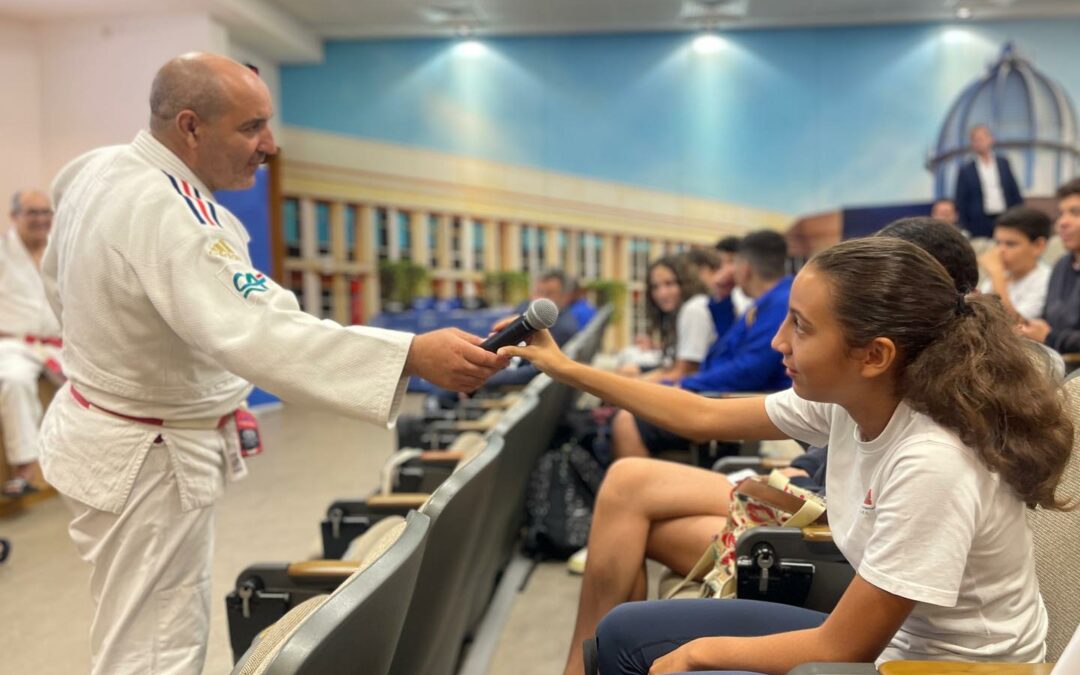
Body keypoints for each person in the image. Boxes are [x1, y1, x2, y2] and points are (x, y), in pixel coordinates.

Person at [40, 52, 508, 675]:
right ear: (190, 127)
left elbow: (61, 281)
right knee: (155, 648)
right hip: (145, 459)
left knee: (132, 627)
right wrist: (409, 356)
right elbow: (261, 331)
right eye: (251, 127)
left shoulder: (98, 170)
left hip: (103, 434)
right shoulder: (172, 213)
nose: (270, 145)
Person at [502, 237, 1070, 675]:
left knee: (664, 657)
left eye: (800, 326)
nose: (779, 343)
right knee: (624, 631)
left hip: (928, 668)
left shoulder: (933, 461)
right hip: (890, 646)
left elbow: (844, 645)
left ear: (873, 355)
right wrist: (569, 369)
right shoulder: (856, 402)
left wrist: (701, 654)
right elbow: (699, 415)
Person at [611, 231, 792, 460]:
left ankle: (634, 493)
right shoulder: (766, 302)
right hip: (730, 396)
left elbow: (749, 370)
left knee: (628, 421)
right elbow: (727, 348)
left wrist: (685, 384)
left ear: (744, 268)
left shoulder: (779, 303)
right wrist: (723, 295)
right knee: (635, 410)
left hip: (747, 404)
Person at [0, 189, 62, 497]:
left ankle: (82, 463)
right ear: (14, 216)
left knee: (94, 381)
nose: (40, 220)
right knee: (14, 381)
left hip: (56, 344)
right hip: (13, 345)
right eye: (32, 213)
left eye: (46, 213)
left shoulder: (60, 250)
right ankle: (23, 469)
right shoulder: (2, 252)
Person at [1020, 178, 1080, 353]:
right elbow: (1049, 322)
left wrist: (1050, 337)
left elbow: (1051, 333)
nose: (1062, 222)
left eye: (1075, 213)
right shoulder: (1062, 265)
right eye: (1060, 214)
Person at [635, 255, 715, 383]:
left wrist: (633, 385)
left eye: (669, 284)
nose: (662, 293)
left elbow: (685, 372)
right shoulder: (681, 311)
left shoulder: (693, 309)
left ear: (686, 283)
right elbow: (672, 368)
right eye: (655, 287)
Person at [978, 206, 1052, 321]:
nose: (1000, 251)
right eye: (998, 243)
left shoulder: (1047, 279)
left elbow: (1015, 324)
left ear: (1038, 246)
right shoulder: (999, 276)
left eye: (1010, 244)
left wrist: (997, 274)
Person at [955, 124, 1023, 239]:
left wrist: (1019, 215)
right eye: (975, 140)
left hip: (1005, 217)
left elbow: (1013, 190)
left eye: (982, 138)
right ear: (972, 144)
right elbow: (961, 200)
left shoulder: (1003, 163)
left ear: (991, 139)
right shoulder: (966, 169)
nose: (979, 142)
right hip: (979, 222)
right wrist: (964, 226)